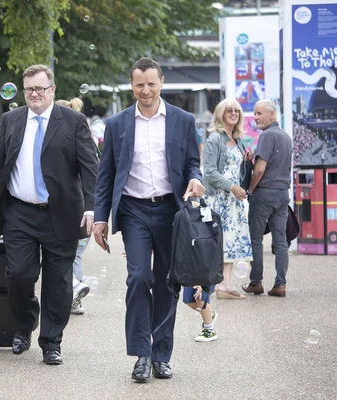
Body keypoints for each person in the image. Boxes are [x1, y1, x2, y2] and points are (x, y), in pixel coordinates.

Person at [93, 57, 204, 382]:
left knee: (168, 283)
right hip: (134, 211)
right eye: (139, 84)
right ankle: (141, 354)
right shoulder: (117, 124)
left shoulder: (183, 120)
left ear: (161, 82)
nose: (145, 90)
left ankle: (161, 355)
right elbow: (106, 175)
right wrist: (101, 218)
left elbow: (191, 164)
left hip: (172, 212)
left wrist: (195, 179)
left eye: (151, 84)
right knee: (139, 278)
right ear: (132, 84)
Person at [0, 65, 98, 365]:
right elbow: (2, 167)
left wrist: (91, 207)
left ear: (52, 90)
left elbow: (90, 168)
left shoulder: (74, 122)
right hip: (19, 212)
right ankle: (24, 325)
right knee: (19, 275)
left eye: (40, 88)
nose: (34, 94)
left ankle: (51, 342)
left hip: (62, 213)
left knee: (59, 283)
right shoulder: (10, 120)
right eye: (29, 89)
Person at [203, 98, 253, 299]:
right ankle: (220, 284)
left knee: (232, 241)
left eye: (236, 111)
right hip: (220, 198)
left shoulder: (238, 138)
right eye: (229, 111)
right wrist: (232, 186)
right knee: (221, 241)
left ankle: (226, 284)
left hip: (235, 198)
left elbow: (235, 167)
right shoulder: (214, 138)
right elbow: (209, 172)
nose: (233, 113)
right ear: (221, 114)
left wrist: (246, 160)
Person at [243, 99, 292, 297]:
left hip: (264, 193)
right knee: (280, 240)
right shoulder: (286, 136)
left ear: (272, 115)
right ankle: (280, 284)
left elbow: (261, 168)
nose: (255, 117)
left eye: (259, 113)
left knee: (255, 238)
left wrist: (251, 189)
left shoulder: (266, 136)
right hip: (282, 194)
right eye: (254, 113)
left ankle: (256, 282)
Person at [55, 97, 92, 315]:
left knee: (65, 254)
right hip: (82, 206)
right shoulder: (83, 136)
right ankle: (74, 293)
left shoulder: (65, 142)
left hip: (71, 208)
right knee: (74, 254)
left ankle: (74, 288)